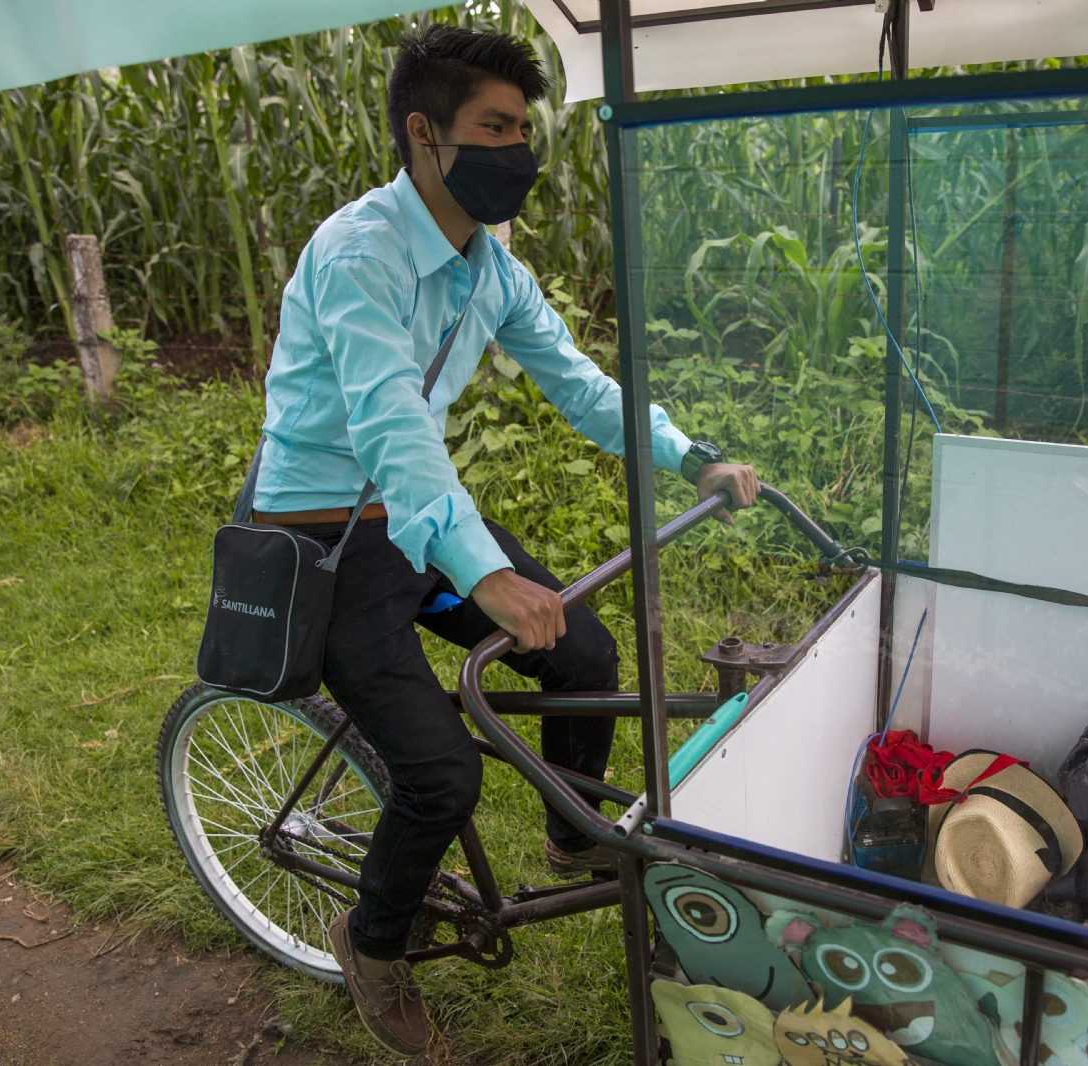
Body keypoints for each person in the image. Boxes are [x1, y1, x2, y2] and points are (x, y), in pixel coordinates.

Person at [251, 23, 759, 1057]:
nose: (518, 149)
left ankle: (574, 833)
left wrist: (687, 453)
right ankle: (372, 940)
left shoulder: (489, 264)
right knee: (440, 775)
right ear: (424, 133)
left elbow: (578, 382)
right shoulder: (359, 255)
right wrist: (479, 572)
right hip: (328, 541)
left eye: (525, 129)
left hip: (411, 520)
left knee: (582, 649)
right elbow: (391, 420)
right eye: (495, 126)